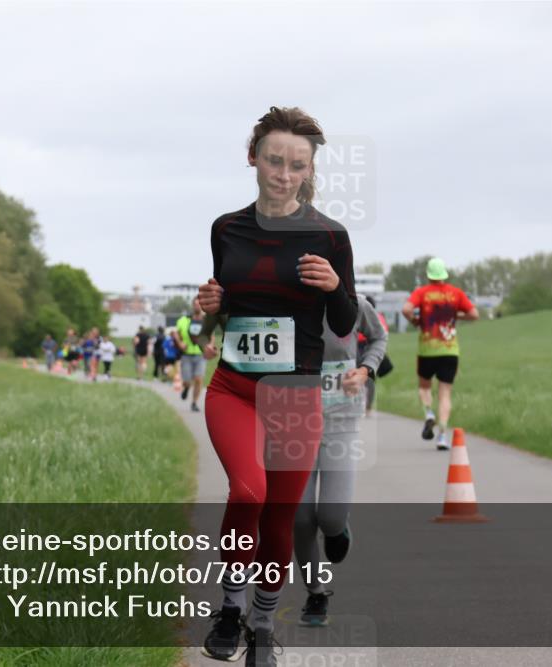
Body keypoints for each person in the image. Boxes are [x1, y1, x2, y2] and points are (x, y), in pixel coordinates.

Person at [197, 106, 358, 667]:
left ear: (309, 170)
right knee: (249, 492)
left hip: (297, 394)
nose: (283, 174)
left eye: (296, 165)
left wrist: (337, 286)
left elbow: (342, 324)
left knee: (279, 517)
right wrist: (208, 312)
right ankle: (230, 607)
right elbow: (214, 323)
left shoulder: (330, 236)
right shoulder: (225, 228)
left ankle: (263, 625)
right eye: (274, 160)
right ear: (253, 158)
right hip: (235, 388)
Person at [293, 294, 386, 626]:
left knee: (330, 518)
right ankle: (316, 593)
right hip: (293, 424)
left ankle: (337, 527)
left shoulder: (355, 304)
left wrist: (364, 370)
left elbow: (378, 337)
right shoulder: (285, 305)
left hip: (341, 419)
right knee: (300, 520)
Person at [401, 257, 479, 450]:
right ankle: (442, 436)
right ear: (444, 274)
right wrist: (457, 315)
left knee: (424, 387)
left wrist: (415, 321)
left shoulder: (422, 292)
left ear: (428, 274)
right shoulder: (456, 293)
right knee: (445, 394)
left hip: (427, 350)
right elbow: (474, 315)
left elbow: (406, 309)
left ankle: (428, 413)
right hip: (450, 350)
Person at [174, 296, 210, 412]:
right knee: (187, 381)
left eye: (200, 304)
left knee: (199, 379)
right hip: (186, 355)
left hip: (200, 355)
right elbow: (175, 333)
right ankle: (186, 388)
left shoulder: (207, 320)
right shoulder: (183, 320)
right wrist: (180, 343)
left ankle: (194, 402)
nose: (197, 306)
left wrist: (210, 347)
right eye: (195, 304)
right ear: (192, 305)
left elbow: (212, 336)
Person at [357, 295, 390, 416]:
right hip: (373, 349)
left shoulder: (362, 313)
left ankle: (359, 404)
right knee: (370, 379)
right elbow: (384, 333)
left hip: (359, 347)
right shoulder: (380, 317)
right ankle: (368, 407)